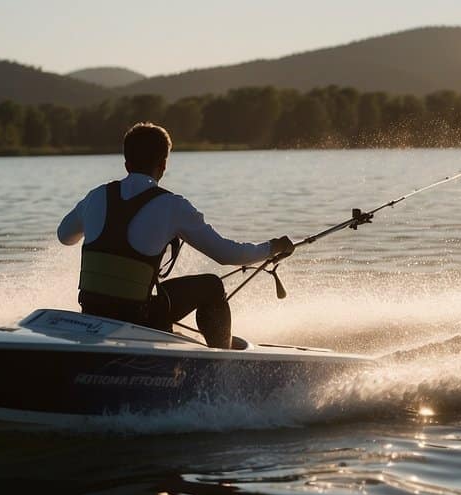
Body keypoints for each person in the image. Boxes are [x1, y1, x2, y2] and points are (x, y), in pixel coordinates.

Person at [57, 122, 293, 349]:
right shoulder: (173, 206)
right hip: (140, 319)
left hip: (91, 315)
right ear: (163, 164)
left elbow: (64, 236)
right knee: (211, 286)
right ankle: (223, 369)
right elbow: (226, 254)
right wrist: (271, 248)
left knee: (152, 294)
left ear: (127, 164)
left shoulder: (95, 197)